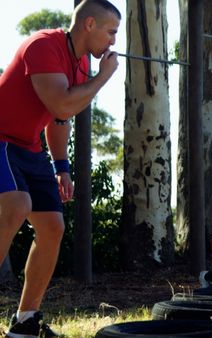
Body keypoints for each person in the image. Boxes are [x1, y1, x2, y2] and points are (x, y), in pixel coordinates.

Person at [0, 1, 120, 336]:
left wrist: (62, 166)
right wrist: (103, 79)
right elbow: (62, 101)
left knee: (53, 227)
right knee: (16, 205)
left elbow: (59, 117)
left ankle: (25, 322)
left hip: (29, 146)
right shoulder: (43, 46)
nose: (112, 41)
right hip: (1, 139)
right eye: (111, 32)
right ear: (90, 24)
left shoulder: (80, 61)